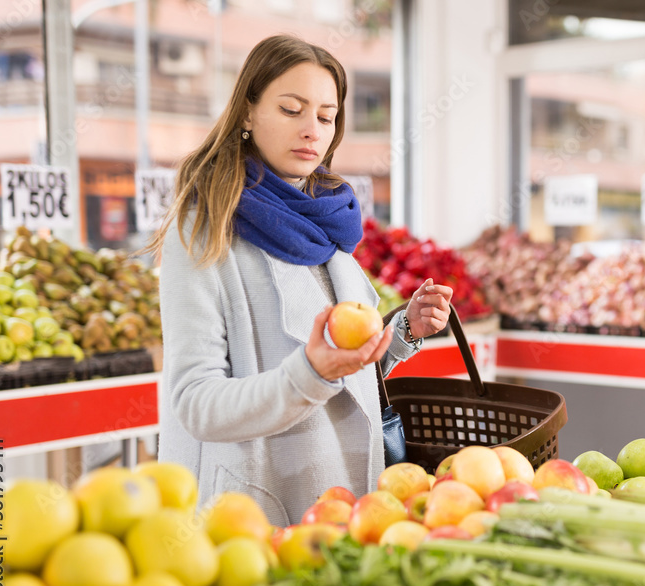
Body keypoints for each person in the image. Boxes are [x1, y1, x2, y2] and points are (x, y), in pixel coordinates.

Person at [147, 34, 453, 527]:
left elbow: (341, 366)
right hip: (257, 509)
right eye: (292, 109)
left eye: (326, 117)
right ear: (247, 112)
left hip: (349, 501)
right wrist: (310, 373)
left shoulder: (327, 219)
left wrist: (402, 333)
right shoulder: (205, 229)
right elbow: (196, 404)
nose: (312, 130)